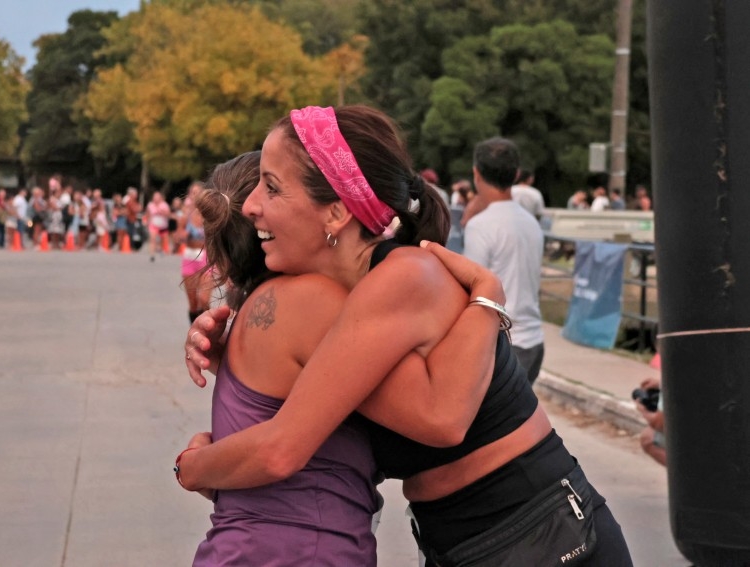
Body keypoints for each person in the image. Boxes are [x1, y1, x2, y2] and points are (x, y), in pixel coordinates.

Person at [180, 106, 632, 566]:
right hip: (474, 538)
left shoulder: (403, 276)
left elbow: (442, 420)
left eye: (272, 186)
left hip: (537, 529)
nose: (252, 204)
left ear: (336, 212)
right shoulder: (347, 301)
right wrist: (233, 355)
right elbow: (329, 400)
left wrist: (193, 467)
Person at [463, 137, 546, 386]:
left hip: (504, 346)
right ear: (517, 173)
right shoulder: (531, 222)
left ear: (476, 173)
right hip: (533, 342)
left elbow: (473, 291)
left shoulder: (480, 226)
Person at [181, 182, 210, 323]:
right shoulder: (185, 216)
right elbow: (177, 236)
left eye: (199, 192)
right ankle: (195, 330)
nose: (196, 195)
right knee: (193, 304)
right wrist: (182, 235)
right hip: (190, 256)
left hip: (207, 257)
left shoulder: (211, 215)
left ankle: (209, 329)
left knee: (203, 299)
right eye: (193, 192)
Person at [145, 190, 170, 262]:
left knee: (162, 239)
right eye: (155, 197)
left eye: (157, 197)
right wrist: (146, 221)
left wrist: (162, 212)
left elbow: (168, 214)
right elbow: (148, 214)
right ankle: (152, 255)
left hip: (163, 225)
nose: (156, 199)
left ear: (160, 198)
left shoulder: (164, 205)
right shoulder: (150, 205)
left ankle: (160, 249)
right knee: (153, 239)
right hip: (153, 224)